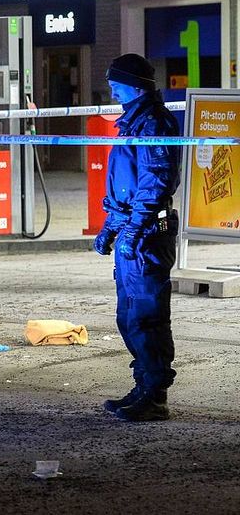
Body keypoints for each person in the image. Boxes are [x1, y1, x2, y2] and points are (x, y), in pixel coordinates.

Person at [94, 53, 182, 422]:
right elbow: (125, 182)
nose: (111, 87)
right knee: (128, 315)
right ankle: (143, 383)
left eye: (115, 82)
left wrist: (131, 228)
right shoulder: (132, 122)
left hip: (148, 233)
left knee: (147, 316)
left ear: (133, 84)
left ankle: (155, 395)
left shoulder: (154, 123)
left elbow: (156, 180)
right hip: (134, 230)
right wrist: (111, 225)